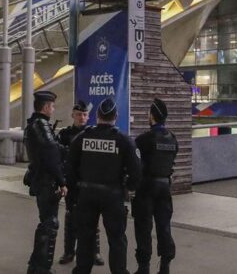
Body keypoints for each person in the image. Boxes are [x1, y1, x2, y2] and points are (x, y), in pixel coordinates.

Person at [67, 97, 141, 274]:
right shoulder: (124, 140)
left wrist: (73, 194)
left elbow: (70, 167)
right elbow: (137, 172)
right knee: (116, 239)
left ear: (97, 116)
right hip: (113, 196)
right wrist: (128, 187)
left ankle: (82, 270)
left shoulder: (82, 137)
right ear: (115, 116)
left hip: (86, 194)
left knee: (85, 237)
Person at [132, 99, 179, 274]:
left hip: (146, 187)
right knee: (164, 226)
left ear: (152, 116)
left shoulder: (144, 139)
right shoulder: (172, 138)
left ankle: (143, 267)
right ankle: (165, 266)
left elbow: (134, 163)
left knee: (143, 227)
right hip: (165, 187)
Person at [24, 90, 67, 274]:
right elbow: (51, 156)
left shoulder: (33, 124)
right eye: (52, 106)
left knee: (46, 223)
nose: (53, 109)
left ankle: (36, 265)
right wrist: (62, 181)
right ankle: (42, 268)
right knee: (50, 224)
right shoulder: (41, 125)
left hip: (41, 179)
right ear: (46, 106)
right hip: (46, 181)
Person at [57, 100, 104, 266]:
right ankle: (69, 252)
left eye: (84, 115)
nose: (82, 118)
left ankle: (95, 252)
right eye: (78, 115)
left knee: (93, 218)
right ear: (72, 115)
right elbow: (59, 158)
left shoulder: (94, 134)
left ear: (88, 116)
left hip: (89, 181)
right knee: (70, 218)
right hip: (72, 181)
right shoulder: (64, 134)